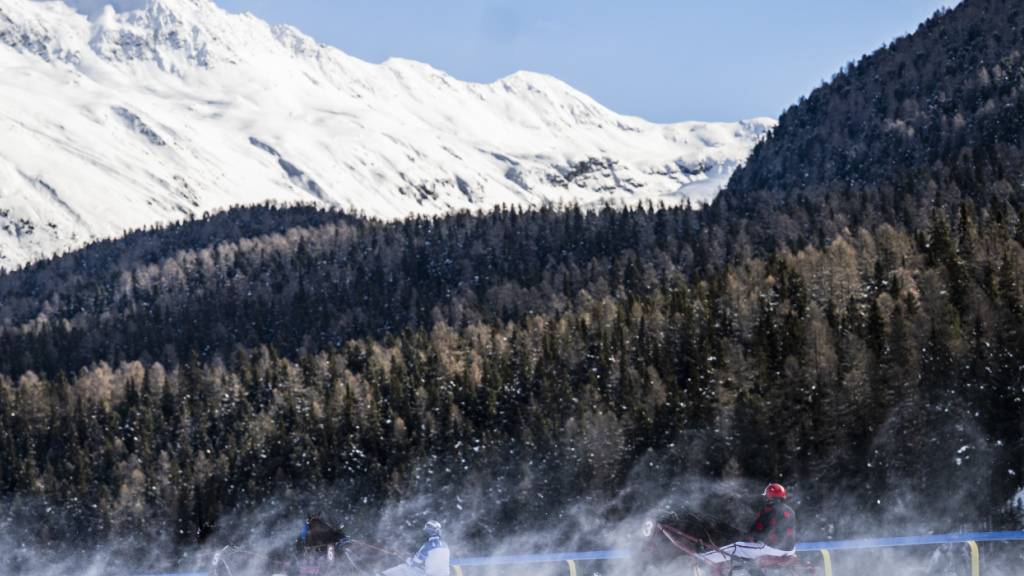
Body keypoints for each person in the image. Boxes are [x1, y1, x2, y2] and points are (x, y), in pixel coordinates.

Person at [699, 483, 797, 575]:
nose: (765, 498)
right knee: (749, 551)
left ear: (770, 497)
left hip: (773, 549)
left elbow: (757, 531)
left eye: (766, 496)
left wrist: (748, 537)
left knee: (737, 547)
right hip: (790, 550)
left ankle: (703, 558)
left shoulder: (769, 510)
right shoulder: (790, 510)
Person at [381, 520, 451, 576]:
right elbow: (436, 562)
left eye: (425, 531)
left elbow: (414, 563)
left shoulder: (427, 546)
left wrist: (406, 558)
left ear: (428, 532)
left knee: (403, 568)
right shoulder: (445, 545)